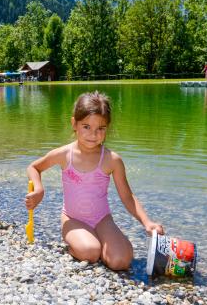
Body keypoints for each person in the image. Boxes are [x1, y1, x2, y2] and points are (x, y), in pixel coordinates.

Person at [25, 91, 164, 271]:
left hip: (102, 219)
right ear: (74, 123)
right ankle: (79, 245)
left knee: (120, 261)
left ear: (107, 128)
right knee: (90, 252)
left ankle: (104, 243)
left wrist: (147, 222)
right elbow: (34, 167)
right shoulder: (64, 154)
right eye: (86, 127)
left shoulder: (112, 160)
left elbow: (127, 196)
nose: (93, 134)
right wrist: (39, 189)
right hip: (72, 218)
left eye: (101, 128)